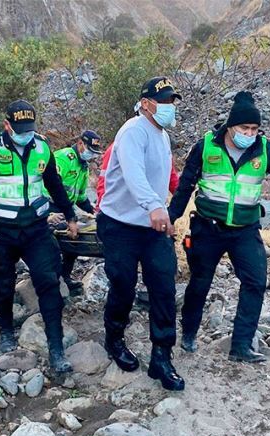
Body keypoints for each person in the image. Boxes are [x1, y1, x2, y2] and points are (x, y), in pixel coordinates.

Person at [168, 91, 270, 362]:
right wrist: (171, 218)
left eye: (254, 129)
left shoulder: (263, 149)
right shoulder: (206, 145)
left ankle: (241, 346)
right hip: (208, 227)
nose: (249, 133)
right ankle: (189, 332)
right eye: (244, 128)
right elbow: (186, 185)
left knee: (255, 282)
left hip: (245, 230)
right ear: (231, 126)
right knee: (200, 282)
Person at [0, 100, 79, 373]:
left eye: (30, 129)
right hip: (1, 231)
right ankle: (6, 330)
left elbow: (54, 185)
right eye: (20, 129)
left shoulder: (42, 147)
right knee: (3, 285)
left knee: (49, 282)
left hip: (36, 229)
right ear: (6, 126)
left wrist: (70, 216)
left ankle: (56, 349)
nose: (26, 134)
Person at [97, 76, 184, 391]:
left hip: (152, 226)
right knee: (123, 284)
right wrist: (155, 206)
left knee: (163, 286)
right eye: (164, 101)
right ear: (146, 103)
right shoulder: (133, 131)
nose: (170, 107)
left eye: (172, 101)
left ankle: (161, 355)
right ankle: (115, 338)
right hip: (120, 223)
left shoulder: (161, 135)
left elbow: (165, 174)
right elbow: (133, 174)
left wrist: (171, 202)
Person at [45, 129, 103, 292]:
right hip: (49, 205)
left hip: (66, 208)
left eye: (94, 152)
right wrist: (48, 212)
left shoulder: (83, 167)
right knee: (56, 240)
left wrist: (94, 210)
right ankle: (53, 281)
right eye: (90, 151)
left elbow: (80, 197)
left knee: (73, 238)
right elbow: (48, 185)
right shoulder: (63, 158)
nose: (91, 155)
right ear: (80, 144)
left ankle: (65, 277)